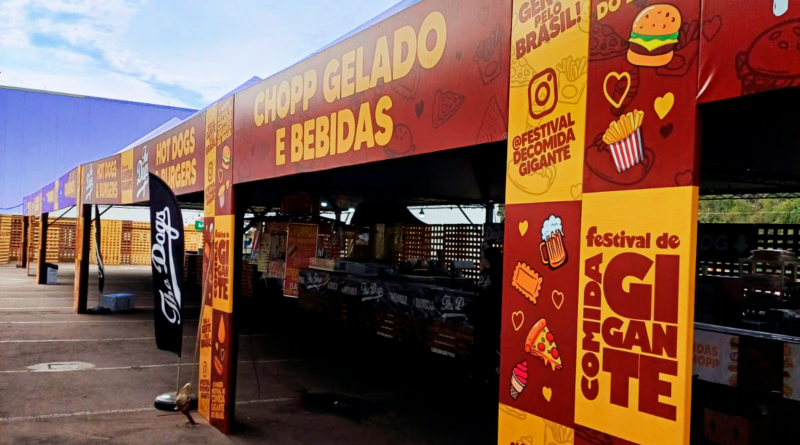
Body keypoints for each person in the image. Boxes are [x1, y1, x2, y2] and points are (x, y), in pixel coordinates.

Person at [471, 247, 503, 387]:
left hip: (482, 312)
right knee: (489, 345)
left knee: (479, 343)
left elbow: (481, 289)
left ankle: (476, 373)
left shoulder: (487, 274)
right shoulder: (500, 273)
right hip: (491, 313)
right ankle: (487, 375)